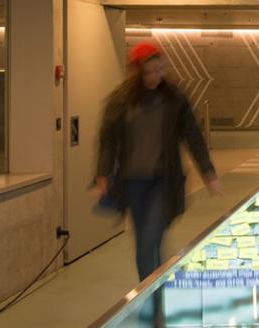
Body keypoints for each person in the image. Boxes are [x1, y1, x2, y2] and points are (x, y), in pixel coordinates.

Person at [93, 42, 220, 280]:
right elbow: (108, 139)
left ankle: (154, 296)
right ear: (136, 72)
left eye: (159, 70)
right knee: (144, 244)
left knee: (151, 236)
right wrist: (102, 174)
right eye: (148, 72)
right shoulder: (121, 101)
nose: (154, 77)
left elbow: (193, 136)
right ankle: (151, 294)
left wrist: (208, 171)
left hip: (163, 180)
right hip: (133, 182)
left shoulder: (175, 99)